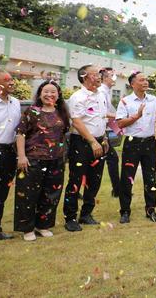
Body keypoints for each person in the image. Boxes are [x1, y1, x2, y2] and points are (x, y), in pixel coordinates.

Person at [14, 81, 70, 241]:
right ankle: (27, 229)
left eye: (53, 92)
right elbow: (20, 134)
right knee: (28, 195)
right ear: (39, 94)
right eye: (46, 91)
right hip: (33, 160)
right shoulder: (32, 111)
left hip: (56, 160)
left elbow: (63, 134)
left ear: (58, 95)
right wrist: (22, 156)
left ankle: (43, 225)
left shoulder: (62, 113)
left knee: (51, 194)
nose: (49, 95)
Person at [63, 64, 109, 232]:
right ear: (84, 76)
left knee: (94, 180)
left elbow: (101, 118)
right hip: (82, 143)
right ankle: (70, 217)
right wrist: (92, 141)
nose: (99, 77)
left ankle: (86, 214)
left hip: (99, 141)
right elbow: (76, 121)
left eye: (99, 74)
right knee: (75, 180)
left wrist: (103, 138)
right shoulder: (78, 97)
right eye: (96, 74)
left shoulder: (101, 94)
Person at [116, 71, 156, 224]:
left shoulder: (154, 100)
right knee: (127, 178)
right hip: (132, 143)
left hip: (150, 142)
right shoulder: (125, 101)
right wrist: (136, 116)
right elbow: (120, 123)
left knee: (150, 177)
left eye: (146, 80)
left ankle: (151, 209)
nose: (145, 82)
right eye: (142, 80)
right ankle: (125, 211)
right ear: (132, 84)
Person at [0, 69, 21, 242]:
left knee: (1, 193)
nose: (11, 83)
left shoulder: (15, 102)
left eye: (12, 79)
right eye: (6, 80)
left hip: (9, 151)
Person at [98, 67, 121, 198]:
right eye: (112, 76)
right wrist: (119, 116)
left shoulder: (106, 91)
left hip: (103, 131)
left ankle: (117, 189)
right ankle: (117, 189)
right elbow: (103, 113)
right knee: (111, 159)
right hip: (98, 132)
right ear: (105, 78)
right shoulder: (101, 92)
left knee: (112, 159)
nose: (114, 79)